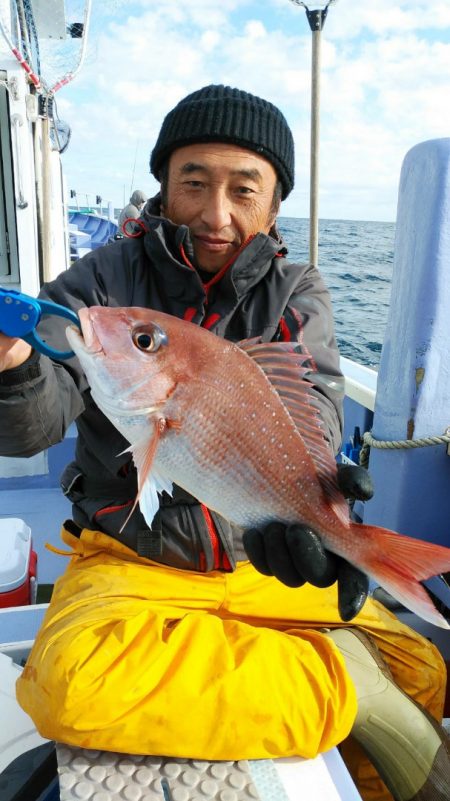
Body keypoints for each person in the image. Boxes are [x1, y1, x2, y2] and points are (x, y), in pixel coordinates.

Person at [0, 85, 448, 801]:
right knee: (64, 684)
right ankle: (335, 682)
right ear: (164, 187)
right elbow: (42, 416)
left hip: (258, 563)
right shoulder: (101, 284)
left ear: (273, 205)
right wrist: (16, 369)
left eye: (244, 188)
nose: (217, 213)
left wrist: (322, 499)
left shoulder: (297, 288)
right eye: (194, 182)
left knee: (422, 663)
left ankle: (301, 680)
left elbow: (316, 405)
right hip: (130, 559)